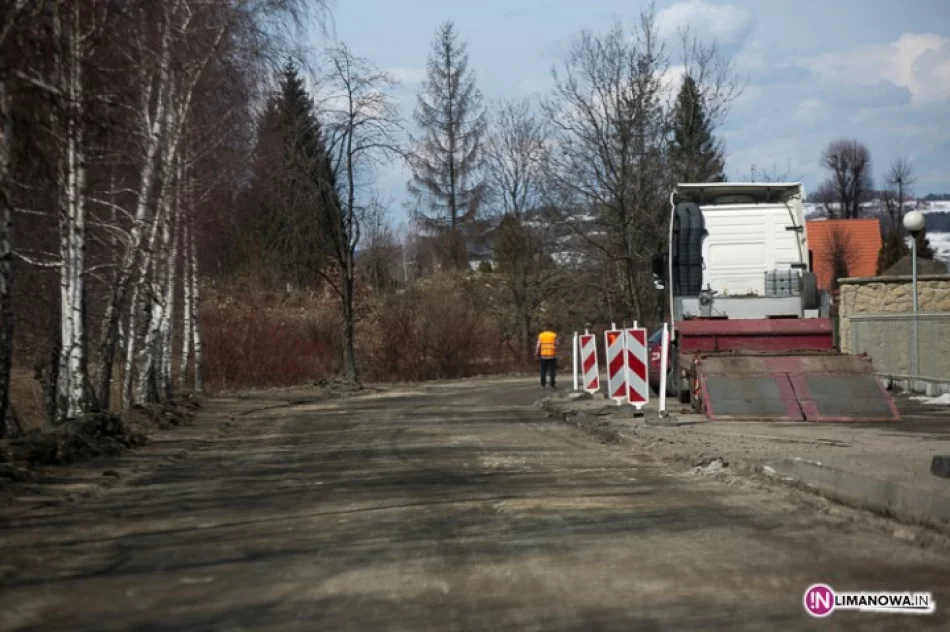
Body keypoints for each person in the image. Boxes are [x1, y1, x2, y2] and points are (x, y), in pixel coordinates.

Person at [536, 325, 558, 389]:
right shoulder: (553, 335)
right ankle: (552, 383)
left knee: (543, 370)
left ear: (544, 329)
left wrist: (536, 353)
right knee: (552, 370)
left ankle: (543, 385)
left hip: (543, 355)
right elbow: (557, 344)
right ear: (551, 328)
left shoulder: (541, 335)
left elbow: (538, 345)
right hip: (552, 355)